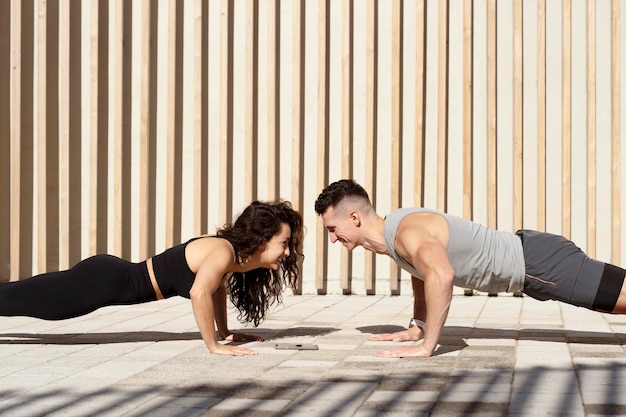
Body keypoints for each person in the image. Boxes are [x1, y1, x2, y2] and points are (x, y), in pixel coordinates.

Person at [314, 179, 626, 358]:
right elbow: (422, 275)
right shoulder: (394, 234)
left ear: (354, 218)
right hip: (533, 262)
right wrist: (418, 324)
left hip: (538, 264)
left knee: (619, 301)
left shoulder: (405, 232)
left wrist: (427, 346)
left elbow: (441, 275)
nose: (332, 238)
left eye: (332, 228)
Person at [0, 201, 304, 356]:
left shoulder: (230, 255)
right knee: (34, 304)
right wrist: (214, 346)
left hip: (109, 279)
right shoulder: (223, 251)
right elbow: (200, 293)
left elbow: (215, 290)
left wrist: (225, 331)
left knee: (20, 295)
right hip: (104, 282)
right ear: (262, 240)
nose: (288, 252)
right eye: (284, 243)